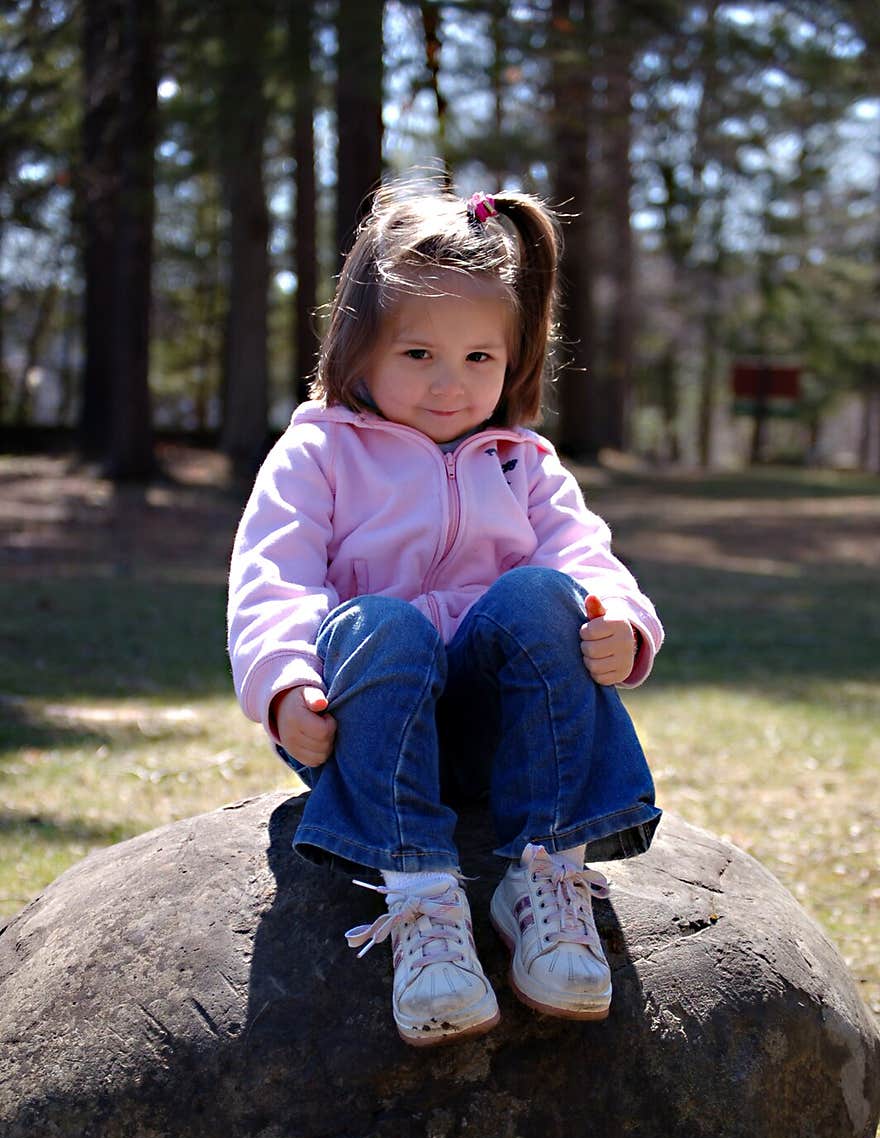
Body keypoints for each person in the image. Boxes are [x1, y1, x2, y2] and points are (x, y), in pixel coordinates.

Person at [227, 182, 664, 1049]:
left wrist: (619, 620)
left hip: (506, 727)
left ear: (514, 359)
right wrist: (283, 687)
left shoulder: (523, 463)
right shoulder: (318, 451)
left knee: (546, 593)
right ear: (359, 348)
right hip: (369, 720)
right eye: (419, 353)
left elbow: (584, 554)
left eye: (478, 359)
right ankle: (423, 897)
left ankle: (543, 873)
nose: (449, 384)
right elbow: (273, 577)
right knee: (382, 619)